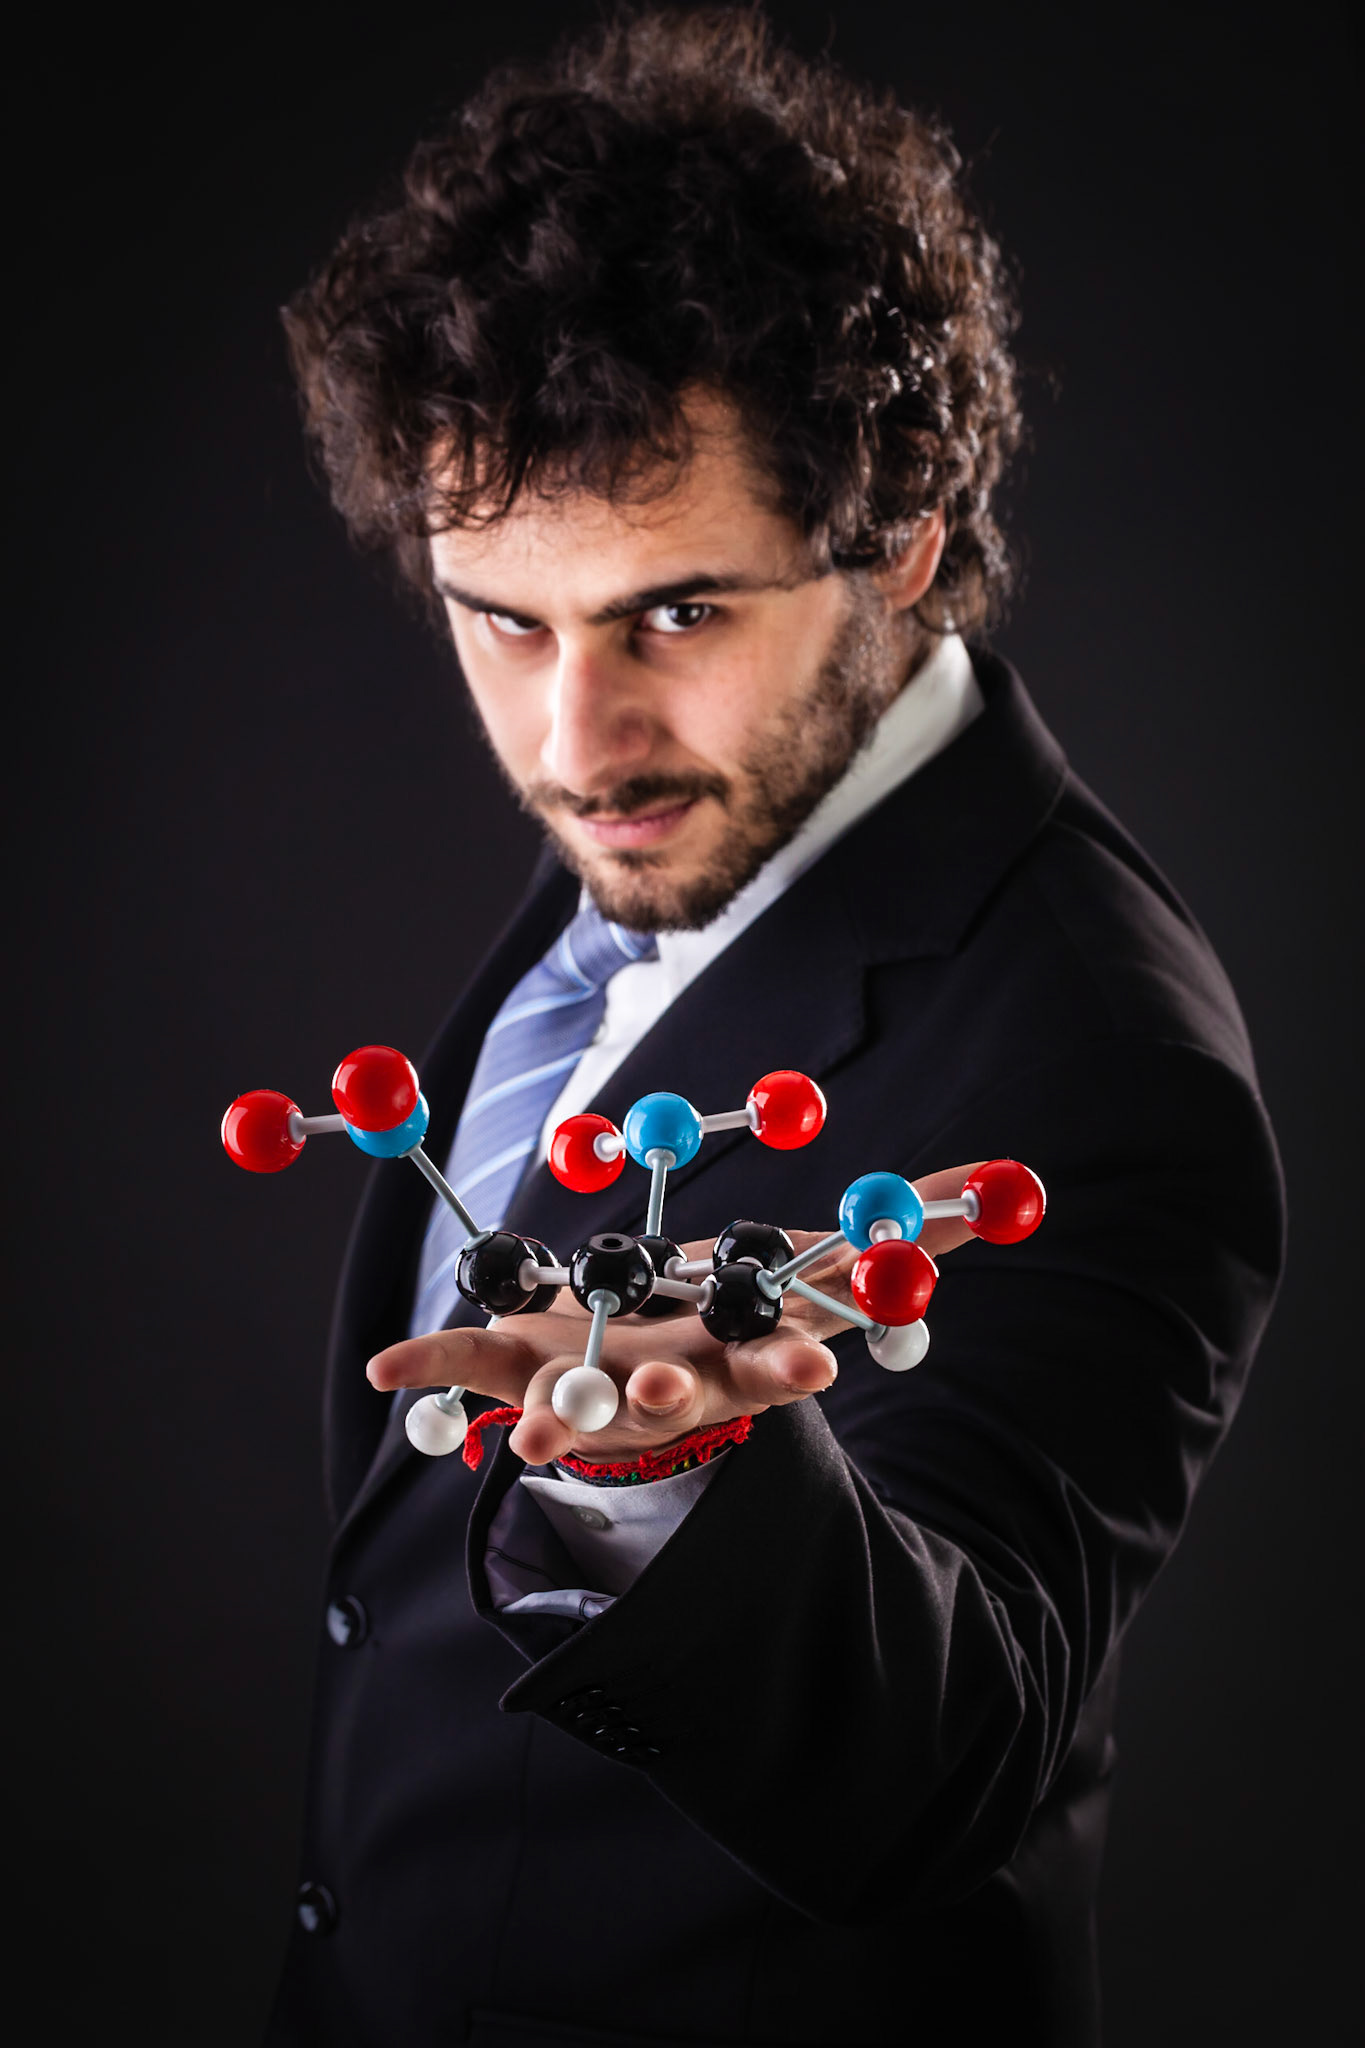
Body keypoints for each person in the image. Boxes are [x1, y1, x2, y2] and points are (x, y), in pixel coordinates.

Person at [267, 9, 1284, 2044]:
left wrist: (677, 1483)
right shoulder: (676, 816)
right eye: (503, 618)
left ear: (898, 536)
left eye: (673, 612)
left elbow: (942, 1751)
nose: (575, 741)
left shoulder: (1099, 1052)